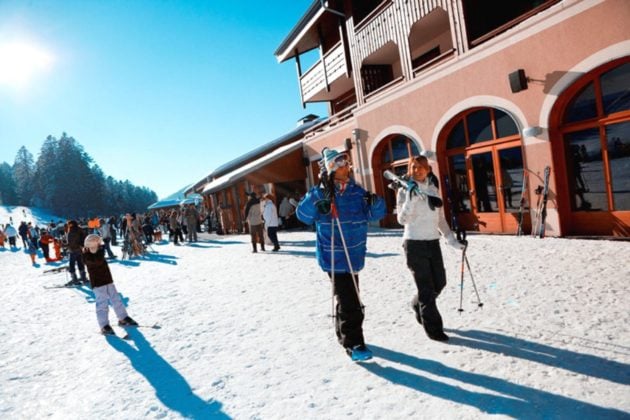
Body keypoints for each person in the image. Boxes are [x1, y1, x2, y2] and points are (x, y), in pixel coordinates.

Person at [297, 148, 385, 360]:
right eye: (341, 164)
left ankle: (343, 332)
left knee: (347, 298)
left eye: (346, 163)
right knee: (350, 302)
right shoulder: (320, 192)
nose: (346, 167)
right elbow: (303, 215)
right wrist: (318, 200)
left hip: (354, 254)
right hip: (333, 256)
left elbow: (375, 215)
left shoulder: (357, 192)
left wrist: (376, 203)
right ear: (331, 169)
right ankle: (355, 344)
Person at [396, 155, 465, 342]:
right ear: (409, 169)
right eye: (413, 167)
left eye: (421, 167)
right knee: (426, 288)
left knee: (439, 282)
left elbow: (440, 219)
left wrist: (451, 239)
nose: (417, 170)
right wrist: (411, 199)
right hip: (414, 243)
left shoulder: (433, 189)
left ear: (428, 169)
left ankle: (416, 303)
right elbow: (402, 220)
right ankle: (433, 329)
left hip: (432, 242)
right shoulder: (404, 190)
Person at [82, 234, 138, 335]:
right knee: (102, 304)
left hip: (107, 280)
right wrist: (101, 249)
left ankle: (123, 317)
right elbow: (97, 261)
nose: (100, 245)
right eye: (98, 244)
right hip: (98, 284)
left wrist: (100, 249)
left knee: (116, 299)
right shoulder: (87, 255)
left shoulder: (97, 253)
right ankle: (104, 325)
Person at [66, 220, 88, 285]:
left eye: (69, 224)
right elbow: (84, 239)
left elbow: (71, 242)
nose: (69, 226)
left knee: (72, 265)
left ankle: (74, 279)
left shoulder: (71, 231)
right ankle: (83, 277)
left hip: (73, 250)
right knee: (80, 263)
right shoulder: (80, 229)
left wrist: (66, 245)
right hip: (79, 249)